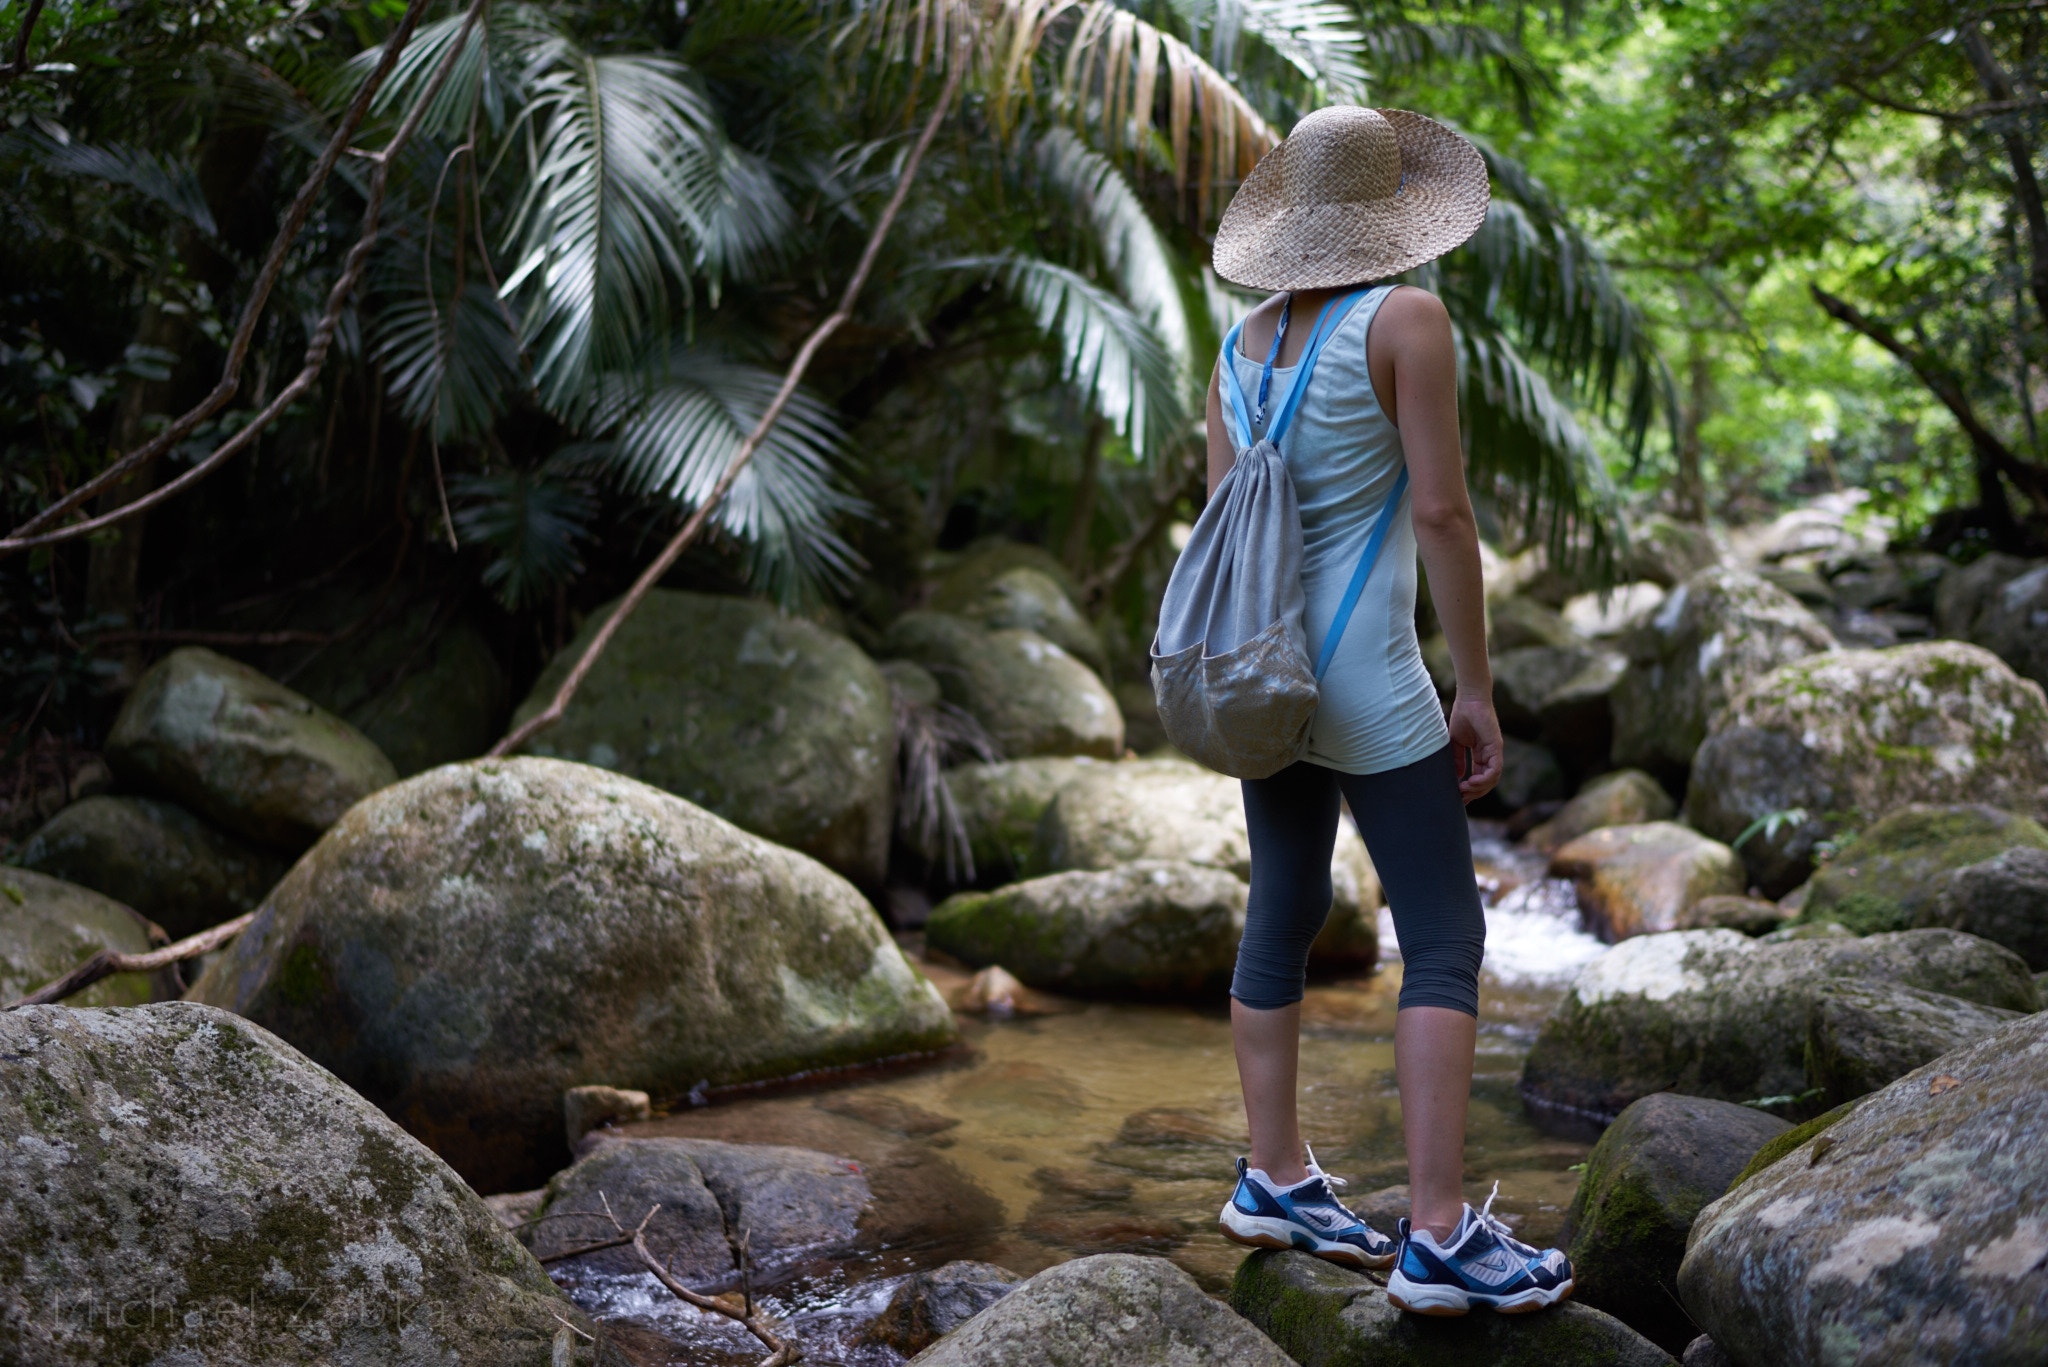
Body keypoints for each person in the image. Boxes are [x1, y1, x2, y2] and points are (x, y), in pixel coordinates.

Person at [1203, 105, 1574, 1316]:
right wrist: (1472, 683)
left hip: (1264, 675)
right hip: (1367, 674)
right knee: (1444, 932)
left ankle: (1271, 1175)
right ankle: (1436, 1232)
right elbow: (1442, 517)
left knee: (1287, 899)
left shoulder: (1235, 346)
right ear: (1388, 211)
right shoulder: (1405, 318)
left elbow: (1225, 530)